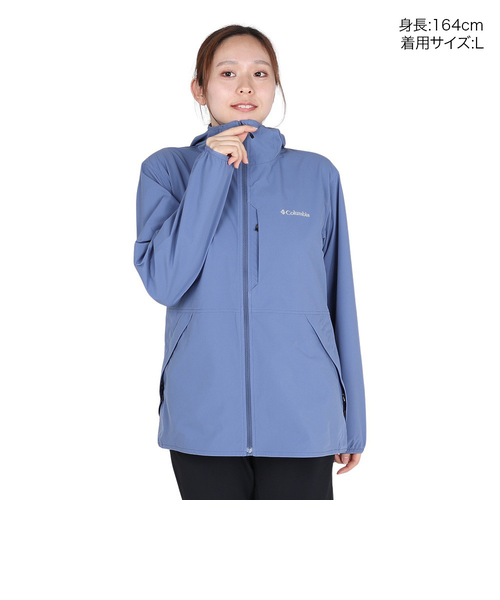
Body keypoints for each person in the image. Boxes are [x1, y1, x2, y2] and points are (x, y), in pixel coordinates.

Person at [133, 25, 366, 500]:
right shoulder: (166, 170)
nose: (245, 86)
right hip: (202, 415)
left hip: (305, 413)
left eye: (260, 73)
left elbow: (339, 298)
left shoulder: (316, 174)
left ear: (275, 85)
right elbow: (165, 281)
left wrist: (353, 419)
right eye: (227, 73)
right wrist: (210, 172)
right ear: (199, 88)